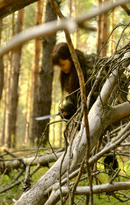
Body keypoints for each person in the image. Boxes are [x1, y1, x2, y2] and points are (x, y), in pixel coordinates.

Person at [51, 42, 121, 175]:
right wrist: (66, 109)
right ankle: (81, 167)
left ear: (70, 58)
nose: (61, 68)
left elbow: (95, 97)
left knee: (106, 136)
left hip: (111, 97)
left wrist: (80, 115)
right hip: (91, 105)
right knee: (83, 133)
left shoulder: (90, 66)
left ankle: (111, 169)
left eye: (62, 64)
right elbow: (74, 97)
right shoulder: (70, 73)